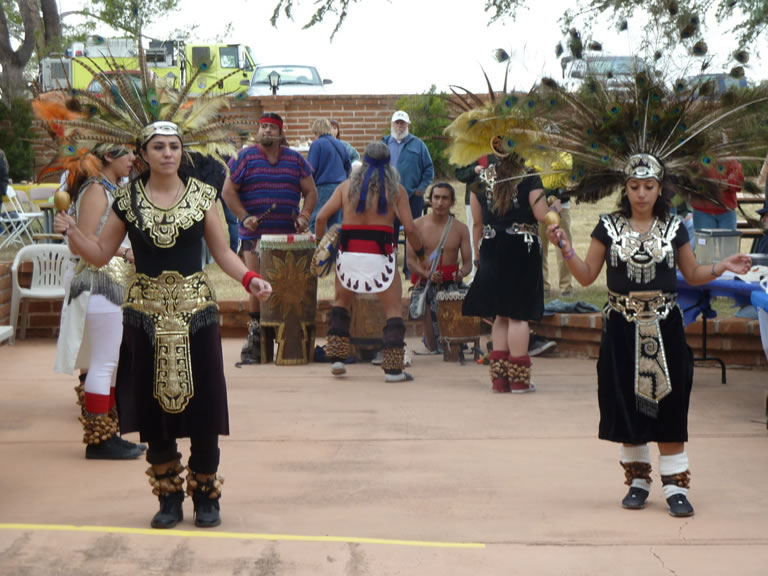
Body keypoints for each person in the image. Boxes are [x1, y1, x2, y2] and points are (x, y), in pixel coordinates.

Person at [54, 72, 273, 530]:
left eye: (174, 146)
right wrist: (74, 234)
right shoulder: (127, 200)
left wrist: (250, 278)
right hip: (145, 315)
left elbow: (222, 253)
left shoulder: (203, 197)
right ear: (143, 153)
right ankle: (168, 498)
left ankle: (206, 497)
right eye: (159, 147)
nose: (168, 153)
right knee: (154, 409)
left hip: (197, 314)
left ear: (182, 151)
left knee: (205, 406)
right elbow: (100, 254)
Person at [548, 155, 751, 517]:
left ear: (660, 189)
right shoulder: (607, 227)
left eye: (648, 186)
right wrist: (565, 248)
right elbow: (586, 274)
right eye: (634, 186)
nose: (641, 193)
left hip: (665, 326)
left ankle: (675, 486)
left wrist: (722, 266)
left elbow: (692, 273)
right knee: (627, 403)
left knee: (671, 404)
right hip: (621, 327)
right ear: (625, 189)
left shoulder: (674, 228)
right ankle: (638, 481)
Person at [51, 143, 145, 460]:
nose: (133, 158)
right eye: (127, 153)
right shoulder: (96, 190)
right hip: (98, 279)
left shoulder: (109, 188)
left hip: (108, 280)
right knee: (104, 361)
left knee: (107, 361)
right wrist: (125, 252)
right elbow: (85, 238)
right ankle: (100, 439)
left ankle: (107, 433)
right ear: (108, 156)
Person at [315, 141, 426, 382]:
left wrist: (320, 244)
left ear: (364, 161)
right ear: (389, 164)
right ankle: (393, 370)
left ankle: (337, 359)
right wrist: (421, 252)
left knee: (341, 303)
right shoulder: (396, 190)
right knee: (393, 310)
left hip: (348, 255)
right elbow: (410, 228)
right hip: (380, 255)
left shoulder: (345, 188)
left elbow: (321, 217)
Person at [222, 113, 317, 365]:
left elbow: (311, 192)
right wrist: (244, 217)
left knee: (288, 286)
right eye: (263, 127)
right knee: (256, 282)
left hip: (288, 237)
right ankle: (256, 335)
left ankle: (290, 336)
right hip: (254, 236)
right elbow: (228, 191)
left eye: (272, 128)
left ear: (280, 133)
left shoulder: (295, 160)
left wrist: (305, 215)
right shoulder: (244, 157)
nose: (266, 131)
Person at [462, 152, 548, 394]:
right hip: (521, 247)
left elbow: (477, 223)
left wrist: (478, 254)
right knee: (518, 315)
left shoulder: (479, 181)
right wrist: (553, 208)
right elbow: (541, 215)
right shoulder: (529, 176)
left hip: (491, 246)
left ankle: (500, 380)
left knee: (500, 313)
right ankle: (519, 380)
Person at [405, 182, 471, 353]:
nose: (440, 202)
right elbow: (410, 262)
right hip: (426, 284)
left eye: (445, 198)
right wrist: (427, 273)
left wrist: (461, 273)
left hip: (452, 286)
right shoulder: (416, 226)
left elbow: (468, 263)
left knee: (453, 345)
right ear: (430, 200)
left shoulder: (461, 229)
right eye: (436, 197)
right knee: (434, 346)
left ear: (452, 202)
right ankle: (430, 337)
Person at [383, 110, 434, 276]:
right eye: (397, 123)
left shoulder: (418, 145)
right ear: (392, 124)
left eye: (403, 123)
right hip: (387, 198)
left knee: (412, 232)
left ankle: (409, 268)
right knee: (388, 232)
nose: (400, 126)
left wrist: (420, 190)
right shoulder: (383, 144)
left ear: (408, 125)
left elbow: (429, 169)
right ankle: (388, 267)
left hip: (412, 197)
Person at [454, 155, 497, 280]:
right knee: (474, 235)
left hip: (497, 198)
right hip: (474, 198)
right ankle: (475, 274)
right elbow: (459, 174)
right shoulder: (468, 151)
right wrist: (473, 170)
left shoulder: (497, 149)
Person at [307, 118, 351, 232]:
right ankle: (335, 244)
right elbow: (348, 166)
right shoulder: (340, 144)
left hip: (324, 187)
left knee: (316, 220)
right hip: (341, 187)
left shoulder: (316, 144)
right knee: (336, 224)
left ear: (316, 130)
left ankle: (321, 243)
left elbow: (310, 169)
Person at [538, 187, 574, 297]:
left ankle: (566, 287)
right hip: (540, 206)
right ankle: (543, 287)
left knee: (563, 247)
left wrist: (560, 197)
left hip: (561, 206)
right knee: (539, 248)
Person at [690, 159, 744, 230]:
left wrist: (729, 184)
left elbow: (739, 183)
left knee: (728, 237)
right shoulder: (696, 160)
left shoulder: (731, 160)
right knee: (705, 237)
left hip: (727, 211)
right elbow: (690, 181)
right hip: (703, 210)